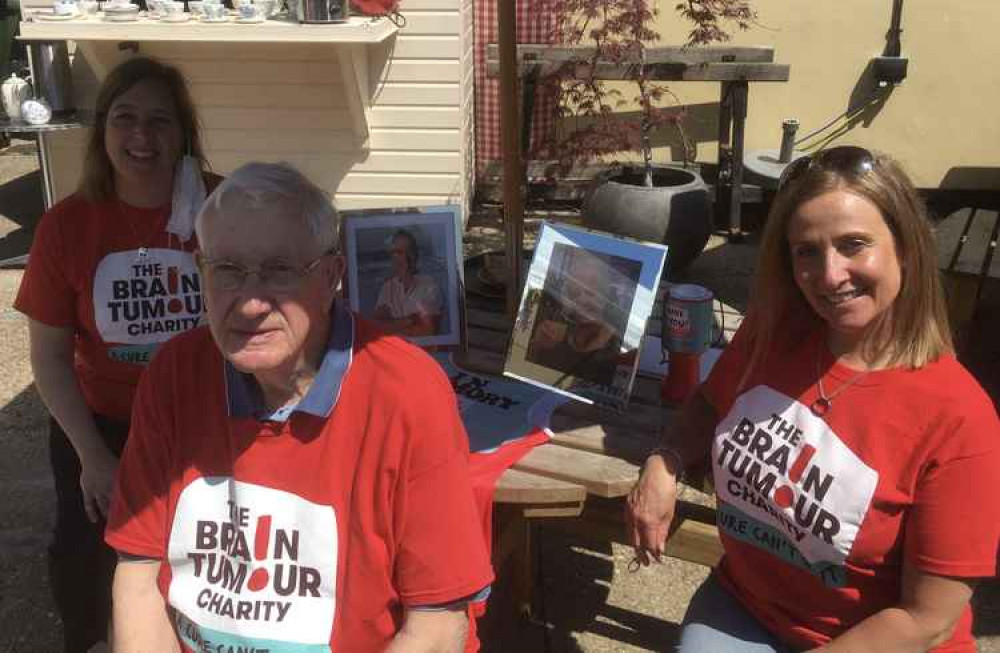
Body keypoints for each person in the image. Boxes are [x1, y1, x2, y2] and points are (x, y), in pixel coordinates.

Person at [105, 162, 493, 652]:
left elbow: (437, 627)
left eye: (279, 271)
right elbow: (138, 575)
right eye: (226, 269)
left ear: (331, 276)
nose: (249, 303)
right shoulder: (175, 373)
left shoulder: (407, 393)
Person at [626, 146, 1000, 652]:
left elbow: (926, 619)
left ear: (906, 247)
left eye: (853, 245)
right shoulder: (773, 333)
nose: (829, 275)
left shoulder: (960, 418)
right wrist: (664, 461)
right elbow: (710, 403)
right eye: (808, 251)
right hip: (747, 606)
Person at [14, 56, 218, 653]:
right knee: (86, 556)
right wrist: (93, 456)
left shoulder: (219, 208)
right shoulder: (66, 226)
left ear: (183, 133)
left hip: (202, 419)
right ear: (101, 131)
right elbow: (50, 358)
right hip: (102, 422)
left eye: (160, 120)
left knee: (196, 553)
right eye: (124, 118)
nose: (141, 136)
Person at [527, 248, 627, 387]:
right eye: (574, 293)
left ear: (606, 296)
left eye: (591, 292)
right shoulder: (550, 320)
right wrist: (537, 345)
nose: (583, 300)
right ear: (564, 297)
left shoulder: (618, 333)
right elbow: (524, 365)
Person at [372, 228, 443, 337]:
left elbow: (428, 331)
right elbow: (376, 326)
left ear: (412, 255)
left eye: (400, 252)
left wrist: (393, 325)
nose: (395, 257)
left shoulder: (428, 285)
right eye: (392, 253)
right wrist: (410, 320)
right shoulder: (387, 287)